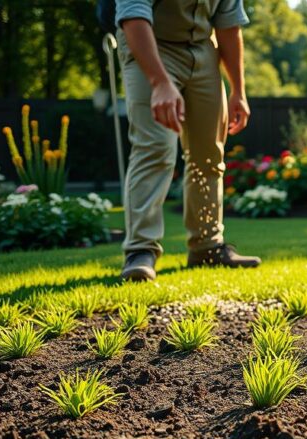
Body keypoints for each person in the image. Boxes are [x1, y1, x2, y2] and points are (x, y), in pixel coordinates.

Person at [115, 0, 261, 282]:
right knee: (155, 148)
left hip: (203, 51)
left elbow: (228, 25)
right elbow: (133, 16)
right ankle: (140, 250)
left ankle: (207, 247)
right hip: (151, 46)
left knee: (208, 155)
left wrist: (238, 91)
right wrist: (159, 83)